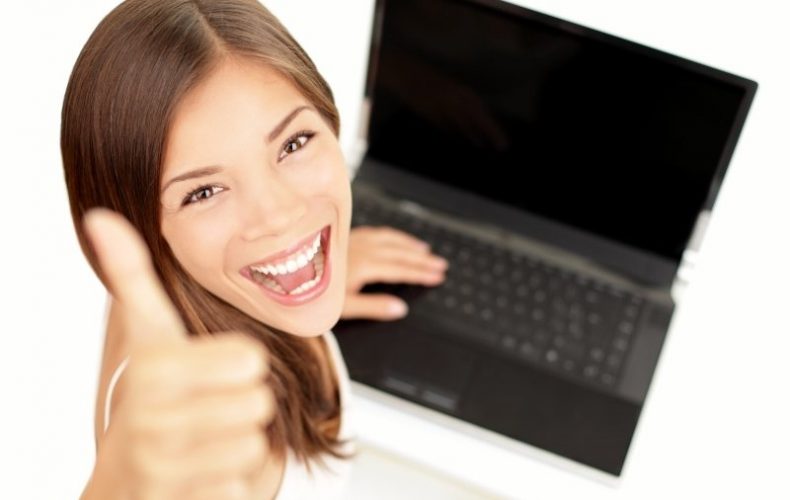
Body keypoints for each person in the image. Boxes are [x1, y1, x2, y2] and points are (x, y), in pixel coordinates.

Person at [60, 1, 448, 498]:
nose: (279, 216)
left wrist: (308, 263)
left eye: (294, 143)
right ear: (140, 230)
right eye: (203, 193)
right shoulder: (210, 438)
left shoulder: (167, 280)